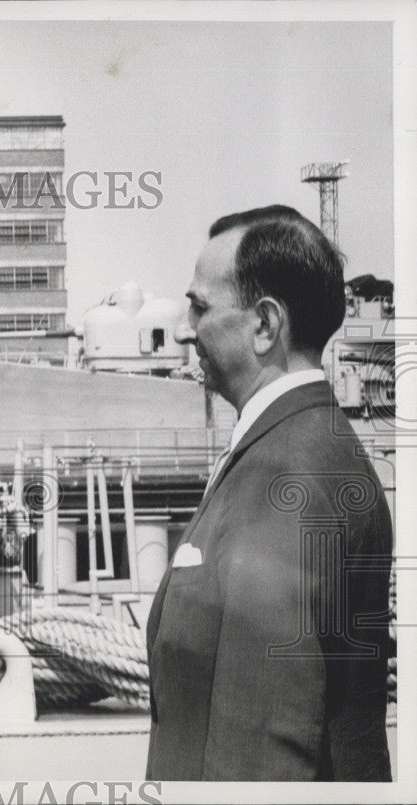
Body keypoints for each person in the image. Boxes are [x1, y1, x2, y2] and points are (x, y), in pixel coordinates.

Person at [146, 205, 393, 780]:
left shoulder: (290, 480)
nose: (185, 328)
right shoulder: (300, 446)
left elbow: (259, 739)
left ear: (264, 325)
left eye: (201, 307)